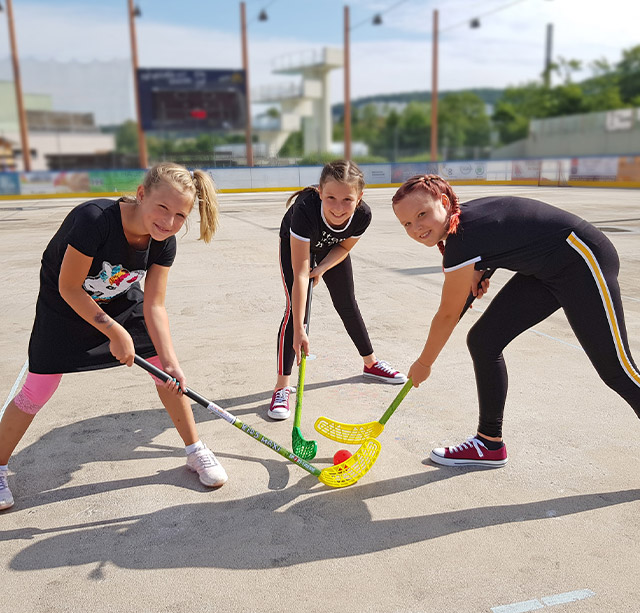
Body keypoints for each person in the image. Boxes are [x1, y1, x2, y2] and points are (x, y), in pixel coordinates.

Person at [0, 162, 227, 511]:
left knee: (165, 374)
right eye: (162, 208)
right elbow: (69, 287)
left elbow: (154, 306)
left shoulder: (163, 243)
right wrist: (113, 331)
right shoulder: (94, 219)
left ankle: (195, 450)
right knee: (38, 389)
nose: (168, 222)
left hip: (118, 300)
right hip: (64, 303)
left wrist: (170, 362)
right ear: (141, 194)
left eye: (180, 216)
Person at [392, 174, 640, 467]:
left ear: (444, 203)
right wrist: (482, 271)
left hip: (581, 260)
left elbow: (448, 313)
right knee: (484, 341)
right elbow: (508, 235)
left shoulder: (463, 237)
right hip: (547, 270)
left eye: (422, 214)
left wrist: (424, 363)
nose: (416, 227)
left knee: (616, 369)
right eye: (407, 223)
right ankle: (489, 444)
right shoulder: (463, 226)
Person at [269, 159, 407, 420]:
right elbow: (300, 273)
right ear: (320, 192)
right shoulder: (306, 210)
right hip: (297, 246)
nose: (338, 207)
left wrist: (321, 268)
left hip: (331, 250)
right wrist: (300, 329)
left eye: (347, 200)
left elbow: (343, 248)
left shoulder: (363, 215)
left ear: (359, 197)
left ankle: (371, 364)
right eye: (330, 197)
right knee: (295, 314)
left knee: (347, 303)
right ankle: (282, 387)